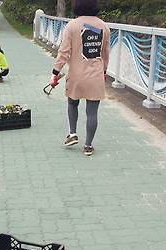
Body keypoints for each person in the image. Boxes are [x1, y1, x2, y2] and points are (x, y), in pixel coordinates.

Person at [50, 0, 110, 156]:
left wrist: (55, 73)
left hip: (76, 75)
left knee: (72, 103)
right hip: (96, 75)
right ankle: (88, 146)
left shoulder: (72, 25)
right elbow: (106, 53)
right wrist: (104, 71)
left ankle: (72, 133)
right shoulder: (104, 26)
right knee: (92, 113)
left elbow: (64, 52)